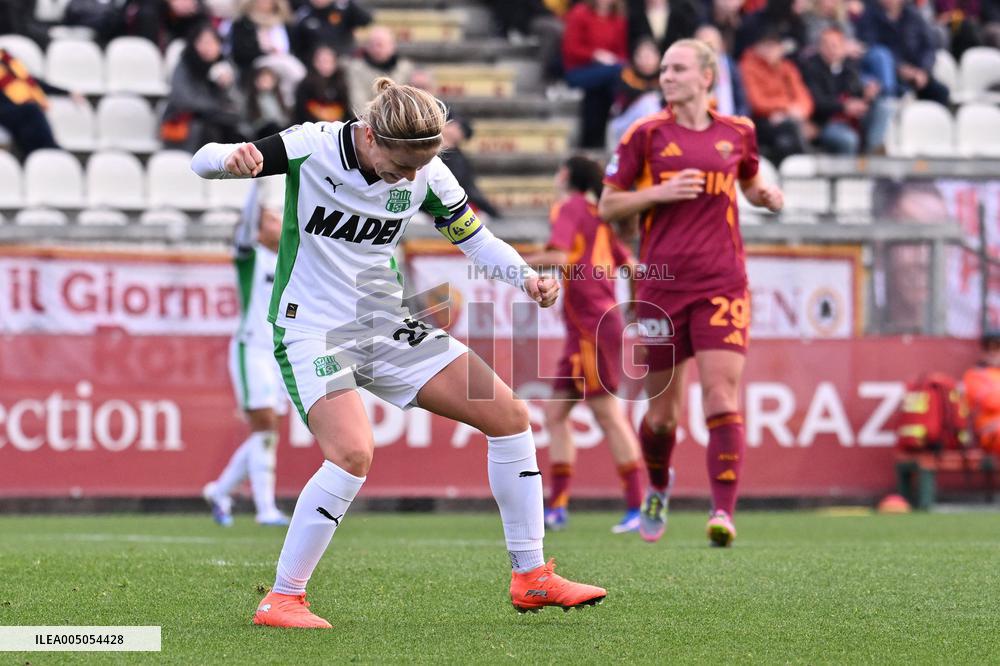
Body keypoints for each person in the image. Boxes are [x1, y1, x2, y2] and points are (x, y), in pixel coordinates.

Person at [191, 77, 607, 628]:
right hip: (311, 329)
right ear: (369, 134)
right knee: (353, 454)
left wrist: (527, 279)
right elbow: (200, 160)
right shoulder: (313, 146)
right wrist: (231, 157)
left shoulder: (426, 172)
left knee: (509, 416)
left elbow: (476, 240)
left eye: (419, 166)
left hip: (385, 325)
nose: (410, 178)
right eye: (401, 164)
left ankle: (531, 578)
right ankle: (282, 598)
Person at [598, 39, 784, 547]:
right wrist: (657, 192)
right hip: (660, 286)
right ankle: (658, 485)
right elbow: (607, 206)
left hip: (723, 282)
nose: (666, 77)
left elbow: (748, 181)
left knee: (722, 395)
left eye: (677, 68)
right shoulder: (645, 134)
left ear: (706, 76)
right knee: (662, 416)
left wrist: (765, 195)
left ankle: (722, 512)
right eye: (663, 69)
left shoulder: (738, 132)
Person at [522, 155, 644, 534]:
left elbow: (558, 256)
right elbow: (634, 268)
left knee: (606, 414)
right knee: (556, 415)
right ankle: (557, 507)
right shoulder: (599, 214)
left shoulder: (570, 207)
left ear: (566, 175)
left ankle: (640, 506)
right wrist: (634, 309)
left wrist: (512, 262)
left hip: (591, 327)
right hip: (591, 326)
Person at [203, 180, 291, 528]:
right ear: (257, 228)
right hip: (251, 348)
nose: (277, 222)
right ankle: (264, 508)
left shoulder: (288, 258)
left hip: (277, 353)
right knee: (265, 426)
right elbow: (245, 224)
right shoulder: (250, 256)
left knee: (266, 432)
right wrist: (259, 186)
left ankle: (220, 490)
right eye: (270, 218)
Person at [799, 25, 891, 155]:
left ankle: (871, 155)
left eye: (835, 45)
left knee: (884, 107)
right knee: (848, 139)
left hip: (853, 119)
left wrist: (867, 94)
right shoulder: (811, 68)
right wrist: (844, 106)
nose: (831, 49)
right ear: (819, 47)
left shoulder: (849, 65)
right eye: (826, 45)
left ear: (843, 48)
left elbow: (856, 90)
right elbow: (817, 102)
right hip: (826, 122)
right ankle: (851, 174)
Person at [161, 24, 247, 152]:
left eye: (213, 42)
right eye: (203, 42)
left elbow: (238, 105)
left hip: (217, 120)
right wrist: (214, 107)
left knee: (238, 134)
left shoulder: (224, 67)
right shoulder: (185, 65)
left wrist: (228, 86)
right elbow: (182, 99)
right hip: (186, 124)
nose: (208, 48)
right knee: (211, 132)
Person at [855, 0, 950, 105]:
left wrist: (923, 70)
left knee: (940, 92)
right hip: (889, 75)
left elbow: (928, 46)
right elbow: (871, 47)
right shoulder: (869, 16)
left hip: (917, 74)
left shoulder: (913, 14)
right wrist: (900, 68)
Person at [561, 0, 629, 148]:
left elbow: (622, 52)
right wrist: (595, 55)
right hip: (579, 71)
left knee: (599, 92)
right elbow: (571, 49)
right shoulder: (580, 13)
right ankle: (620, 114)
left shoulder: (618, 18)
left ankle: (594, 141)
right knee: (618, 74)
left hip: (608, 73)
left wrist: (612, 59)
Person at [739, 31, 814, 164]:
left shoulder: (787, 67)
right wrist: (785, 108)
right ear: (757, 47)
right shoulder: (748, 67)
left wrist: (796, 113)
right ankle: (808, 170)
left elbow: (804, 98)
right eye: (767, 46)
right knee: (791, 132)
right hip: (760, 121)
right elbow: (756, 103)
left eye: (774, 46)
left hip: (787, 120)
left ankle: (799, 173)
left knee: (787, 139)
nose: (771, 50)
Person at [439, 112, 502, 219]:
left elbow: (468, 189)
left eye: (456, 126)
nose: (449, 125)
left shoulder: (458, 159)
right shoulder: (428, 151)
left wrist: (491, 211)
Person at [346, 26, 417, 111]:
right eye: (373, 44)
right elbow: (358, 103)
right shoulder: (356, 68)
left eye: (381, 45)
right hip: (368, 121)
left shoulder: (406, 69)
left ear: (392, 46)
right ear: (367, 47)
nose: (377, 49)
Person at [293, 44, 352, 124]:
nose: (326, 65)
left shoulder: (341, 82)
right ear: (315, 62)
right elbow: (301, 112)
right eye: (323, 61)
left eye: (329, 61)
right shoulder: (306, 85)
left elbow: (346, 109)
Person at [963, 330, 1000, 453]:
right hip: (989, 434)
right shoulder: (974, 375)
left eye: (997, 348)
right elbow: (991, 401)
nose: (993, 353)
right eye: (988, 349)